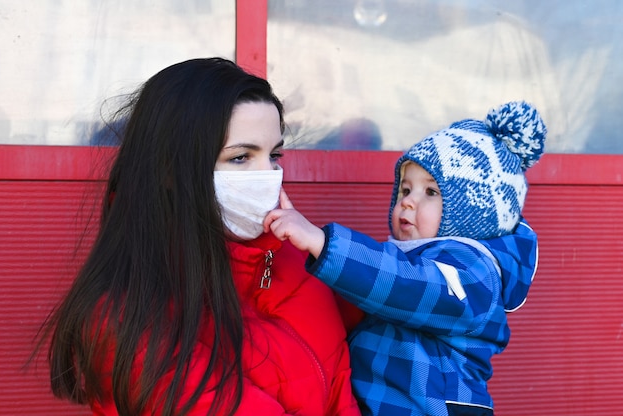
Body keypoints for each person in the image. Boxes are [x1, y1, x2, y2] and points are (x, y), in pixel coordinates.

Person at [42, 58, 361, 416]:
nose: (268, 176)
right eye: (241, 157)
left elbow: (400, 308)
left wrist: (331, 250)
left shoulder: (289, 254)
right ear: (168, 170)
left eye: (273, 155)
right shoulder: (126, 319)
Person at [265, 101, 546, 416]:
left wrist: (321, 242)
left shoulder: (475, 273)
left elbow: (409, 285)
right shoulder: (408, 260)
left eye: (431, 192)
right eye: (405, 189)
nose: (408, 202)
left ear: (473, 213)